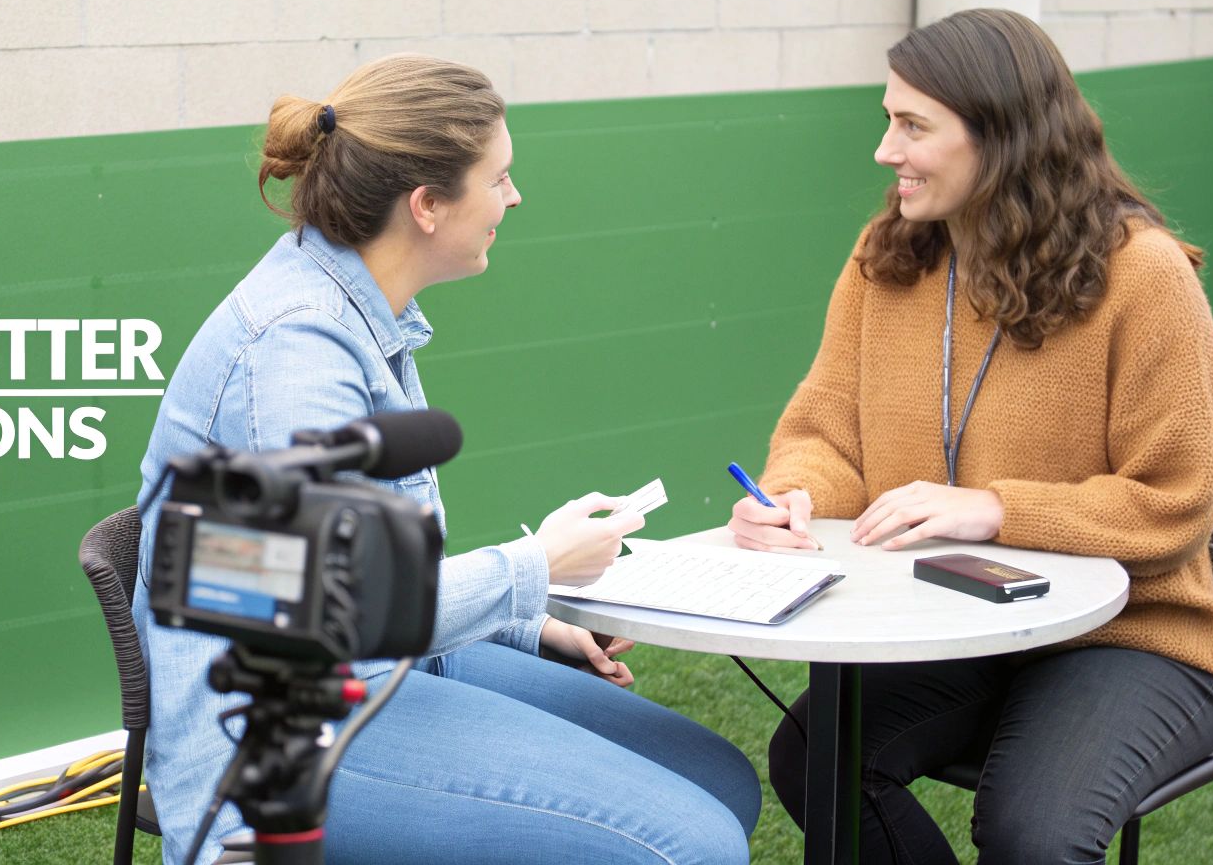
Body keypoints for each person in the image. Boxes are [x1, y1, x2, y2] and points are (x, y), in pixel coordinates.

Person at [133, 54, 761, 865]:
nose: (514, 197)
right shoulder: (295, 351)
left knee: (719, 779)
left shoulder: (358, 307)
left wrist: (523, 622)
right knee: (695, 846)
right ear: (427, 205)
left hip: (372, 675)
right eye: (499, 178)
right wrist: (533, 565)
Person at [727, 9, 1213, 864]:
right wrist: (796, 496)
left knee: (1029, 838)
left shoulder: (1142, 275)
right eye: (887, 121)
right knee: (815, 756)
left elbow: (1176, 501)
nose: (885, 151)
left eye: (912, 126)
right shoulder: (884, 260)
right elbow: (826, 431)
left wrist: (997, 510)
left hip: (1135, 636)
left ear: (1002, 137)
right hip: (956, 622)